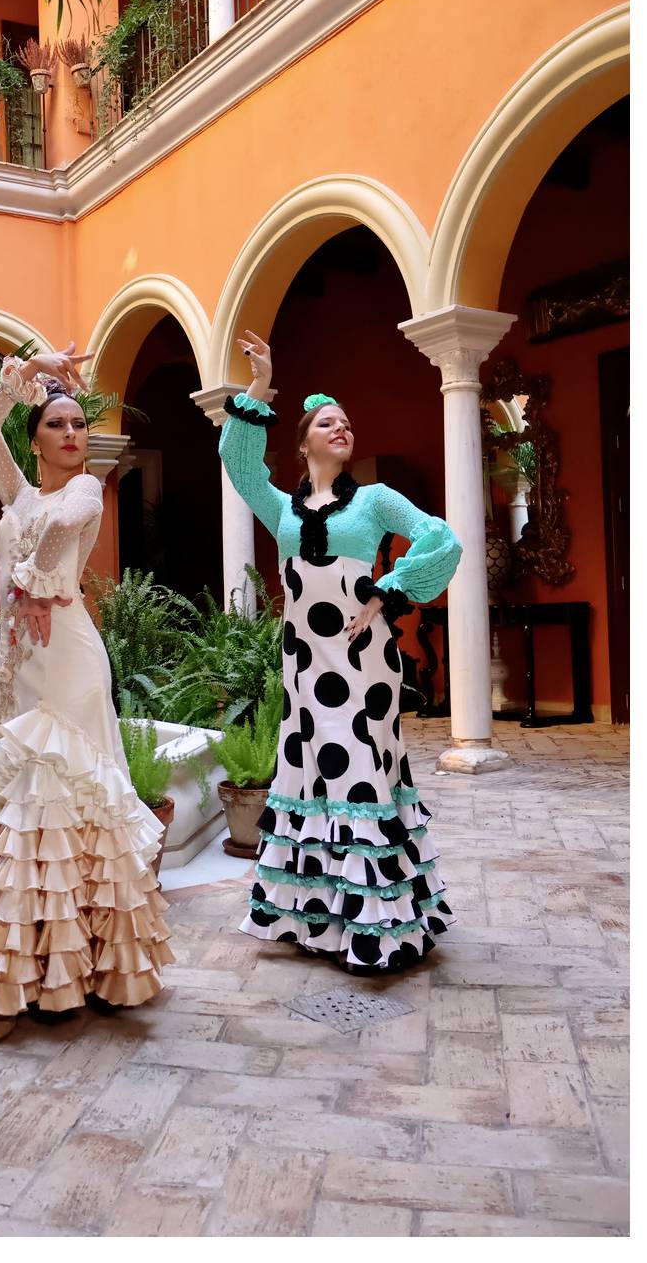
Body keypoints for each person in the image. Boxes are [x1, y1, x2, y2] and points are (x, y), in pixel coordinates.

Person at [0, 345, 173, 1045]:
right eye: (58, 424)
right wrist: (27, 373)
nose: (74, 433)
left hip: (68, 655)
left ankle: (62, 979)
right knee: (20, 813)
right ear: (35, 438)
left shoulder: (87, 487)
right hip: (20, 662)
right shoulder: (17, 492)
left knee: (61, 794)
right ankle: (12, 975)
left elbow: (66, 528)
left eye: (79, 424)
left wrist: (34, 582)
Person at [219, 330, 462, 974]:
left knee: (360, 769)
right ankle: (316, 920)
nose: (342, 429)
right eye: (329, 423)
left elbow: (442, 541)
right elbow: (238, 462)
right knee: (311, 772)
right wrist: (260, 384)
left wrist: (385, 592)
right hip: (304, 666)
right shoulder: (281, 509)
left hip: (363, 665)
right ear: (303, 443)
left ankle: (377, 932)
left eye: (347, 423)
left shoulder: (376, 501)